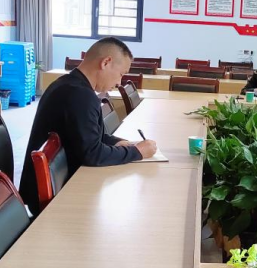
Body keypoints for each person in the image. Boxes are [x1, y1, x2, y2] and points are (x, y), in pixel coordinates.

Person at [20, 37, 157, 216]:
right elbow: (93, 154)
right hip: (54, 198)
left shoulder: (67, 84)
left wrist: (120, 143)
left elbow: (93, 135)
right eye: (121, 74)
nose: (119, 82)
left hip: (53, 184)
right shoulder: (80, 95)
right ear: (106, 62)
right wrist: (137, 152)